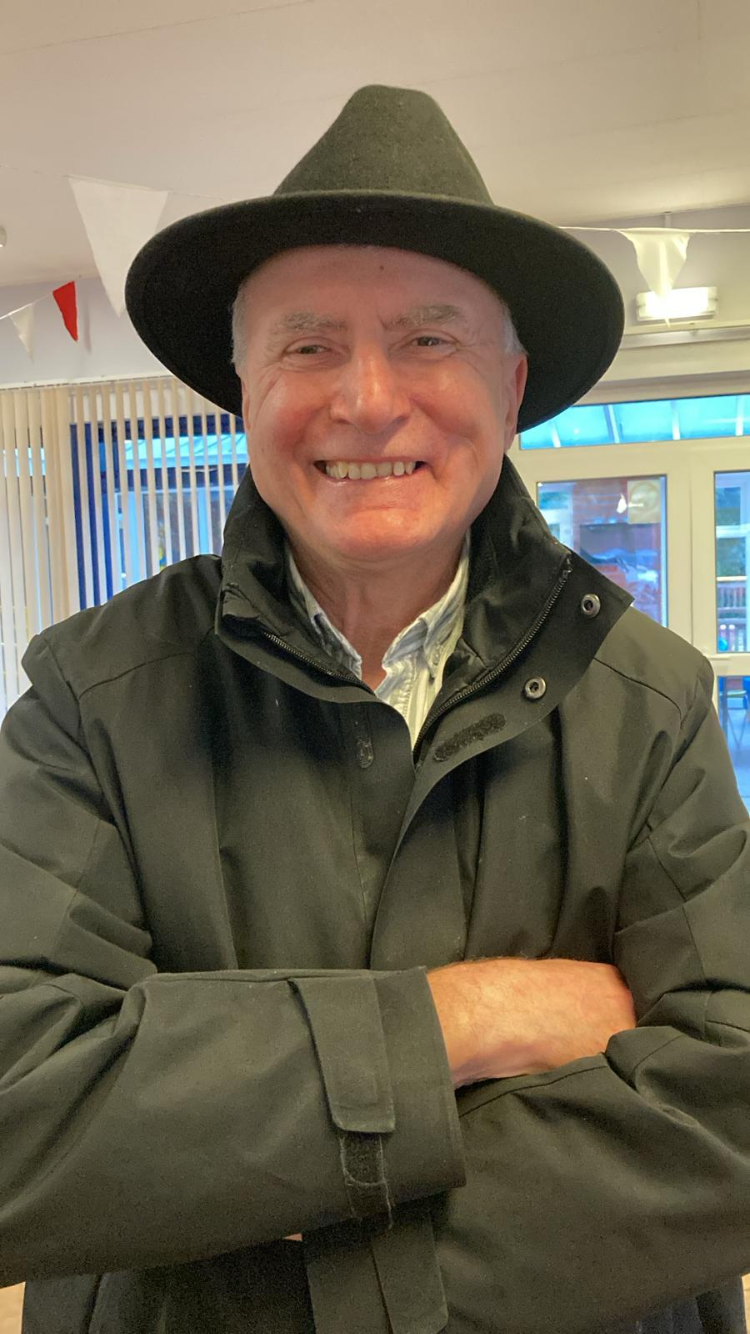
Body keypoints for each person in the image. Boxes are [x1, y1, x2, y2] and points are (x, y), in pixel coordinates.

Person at [1, 85, 749, 1334]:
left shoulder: (650, 697)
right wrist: (465, 1019)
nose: (364, 398)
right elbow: (22, 1118)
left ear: (510, 389)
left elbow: (729, 1108)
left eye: (428, 339)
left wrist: (256, 1205)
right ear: (241, 387)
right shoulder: (90, 695)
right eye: (306, 344)